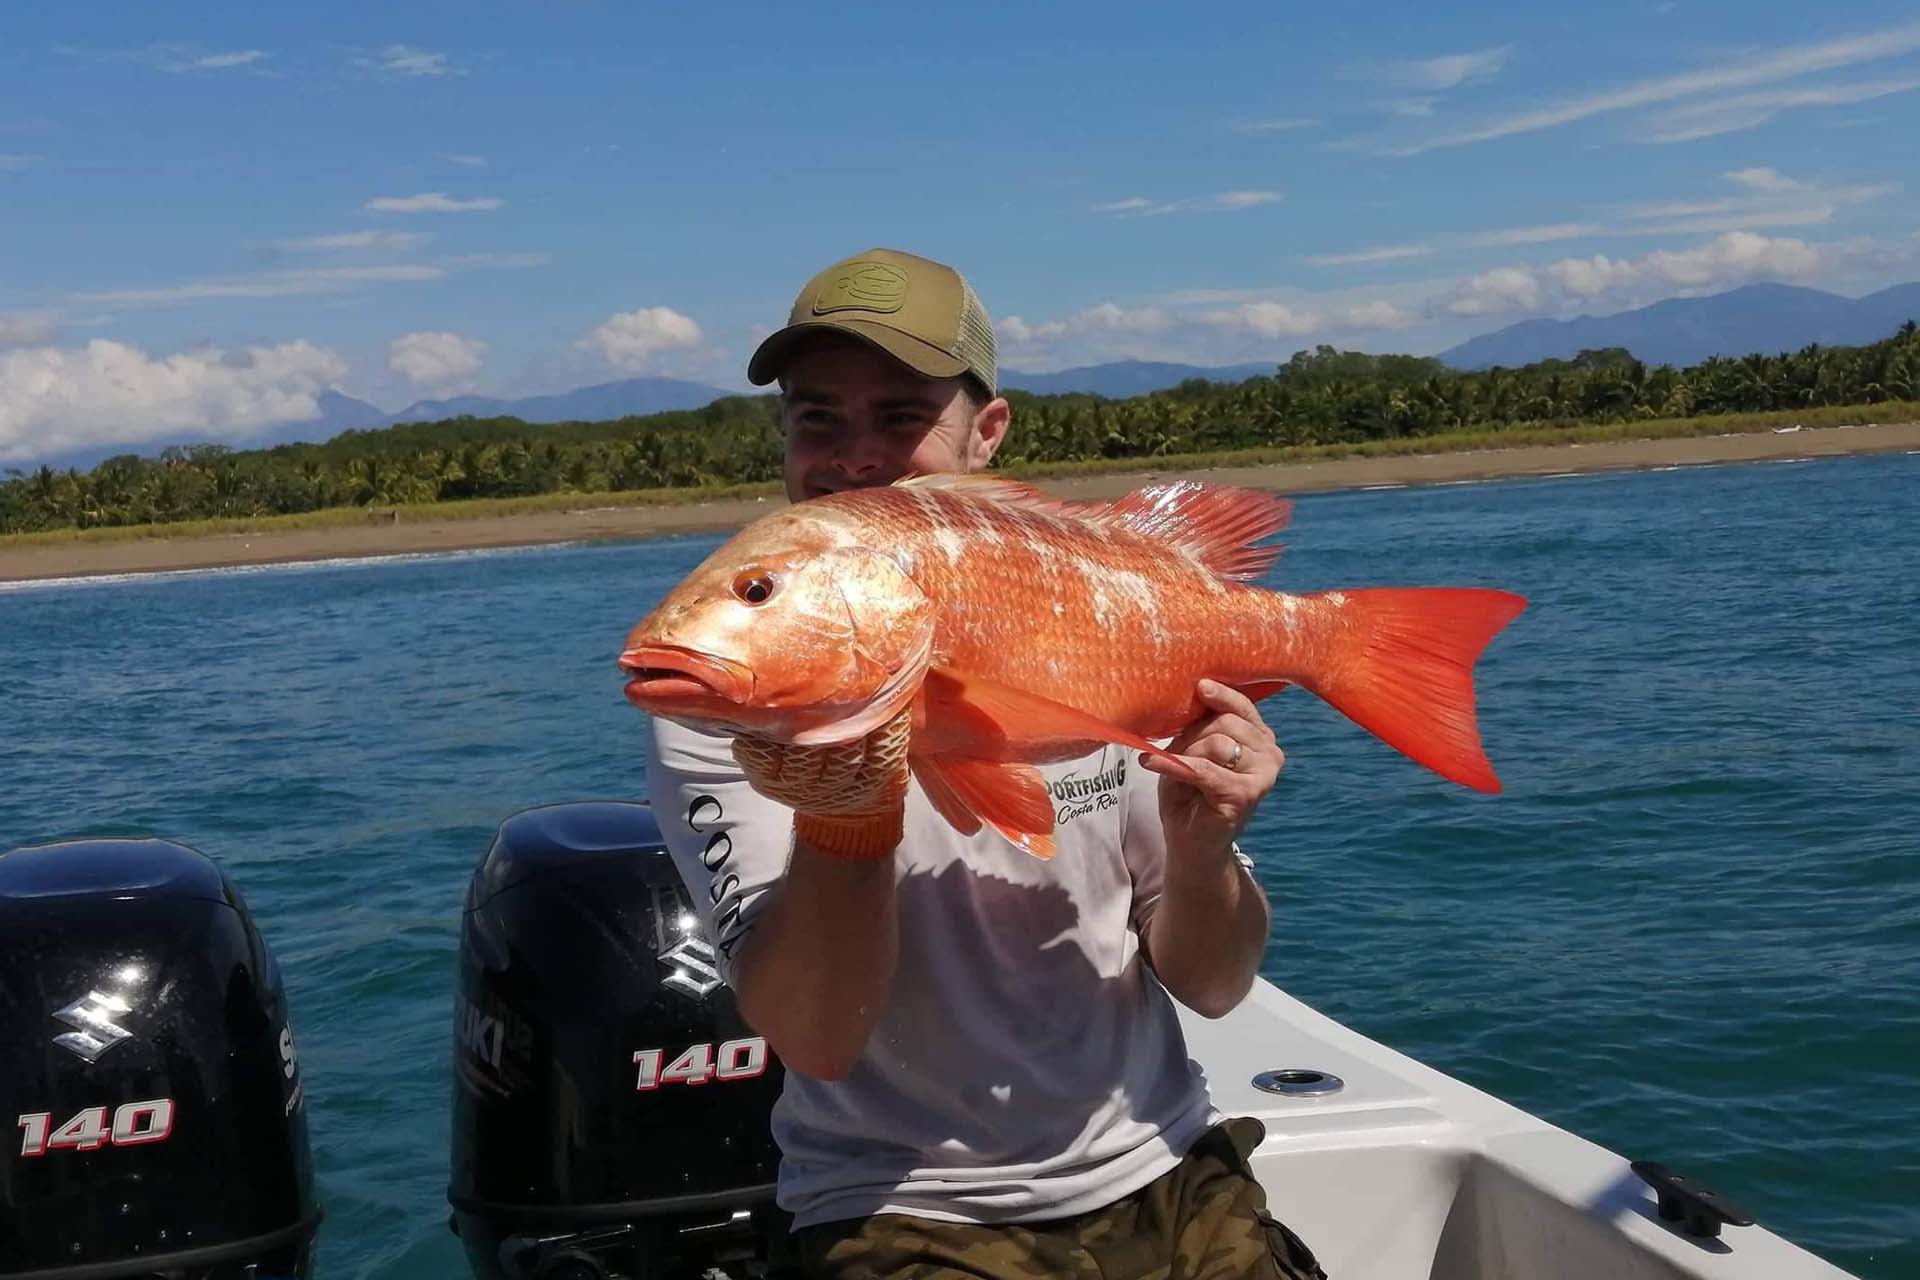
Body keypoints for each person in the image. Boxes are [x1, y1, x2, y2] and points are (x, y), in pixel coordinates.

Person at [647, 248, 1325, 1280]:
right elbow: (819, 1038)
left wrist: (1203, 848)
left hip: (1167, 1157)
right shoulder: (734, 698)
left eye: (900, 416)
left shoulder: (1094, 608)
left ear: (987, 432)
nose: (856, 456)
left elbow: (1216, 983)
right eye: (818, 417)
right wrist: (849, 819)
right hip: (895, 1203)